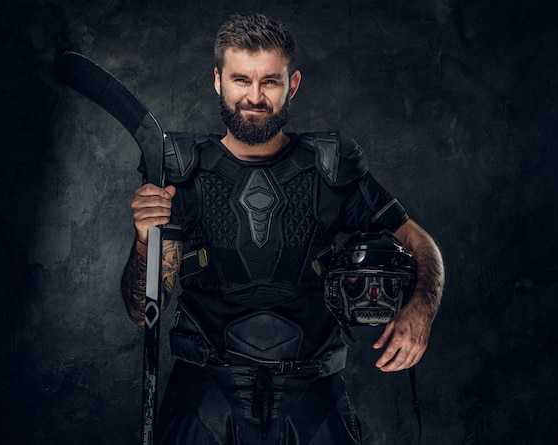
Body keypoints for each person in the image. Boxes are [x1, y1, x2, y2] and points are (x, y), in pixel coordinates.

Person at [120, 12, 444, 445]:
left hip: (311, 395)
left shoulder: (331, 166)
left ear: (292, 84)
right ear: (218, 81)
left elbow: (419, 242)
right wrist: (146, 237)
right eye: (241, 80)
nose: (254, 97)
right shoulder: (180, 171)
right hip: (205, 394)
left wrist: (421, 310)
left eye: (269, 81)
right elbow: (142, 311)